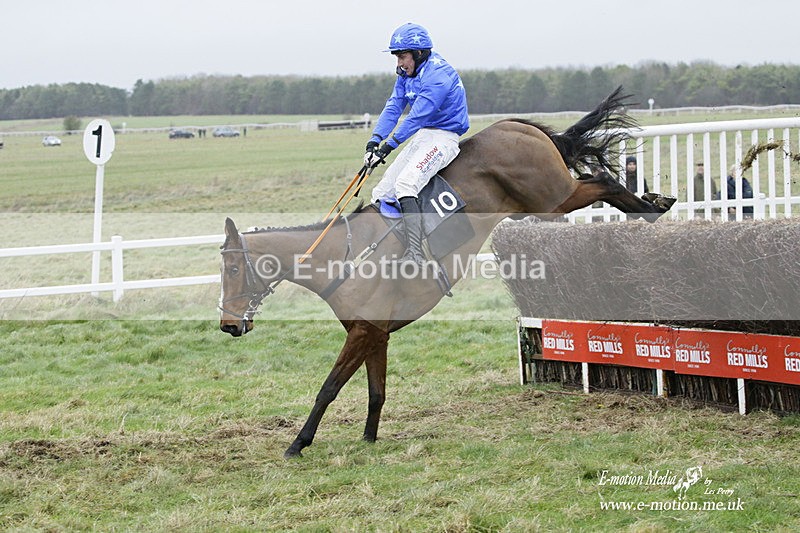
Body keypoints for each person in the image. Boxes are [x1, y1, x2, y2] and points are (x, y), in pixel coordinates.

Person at [364, 22, 470, 266]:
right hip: (424, 135)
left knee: (405, 184)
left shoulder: (438, 75)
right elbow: (394, 106)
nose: (399, 63)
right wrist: (375, 140)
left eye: (402, 56)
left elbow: (417, 115)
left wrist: (389, 146)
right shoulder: (405, 74)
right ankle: (392, 246)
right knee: (382, 193)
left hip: (445, 137)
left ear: (419, 53)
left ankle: (417, 254)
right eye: (397, 57)